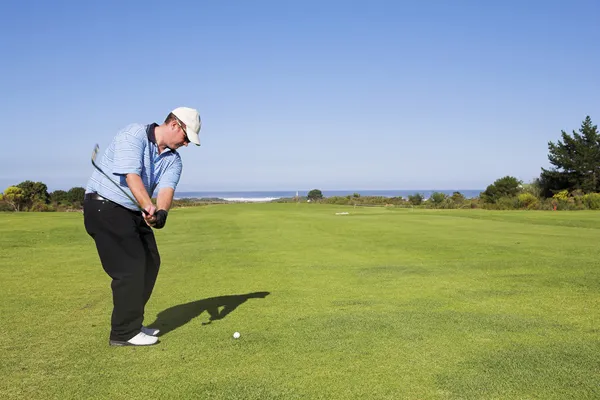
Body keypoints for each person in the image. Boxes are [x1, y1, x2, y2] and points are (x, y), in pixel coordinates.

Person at [83, 107, 201, 346]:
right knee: (131, 266)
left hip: (132, 211)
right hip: (104, 206)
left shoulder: (173, 160)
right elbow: (131, 177)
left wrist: (161, 213)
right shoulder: (133, 134)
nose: (186, 144)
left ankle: (133, 322)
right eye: (186, 137)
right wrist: (147, 205)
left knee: (150, 262)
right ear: (175, 125)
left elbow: (167, 189)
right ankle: (123, 333)